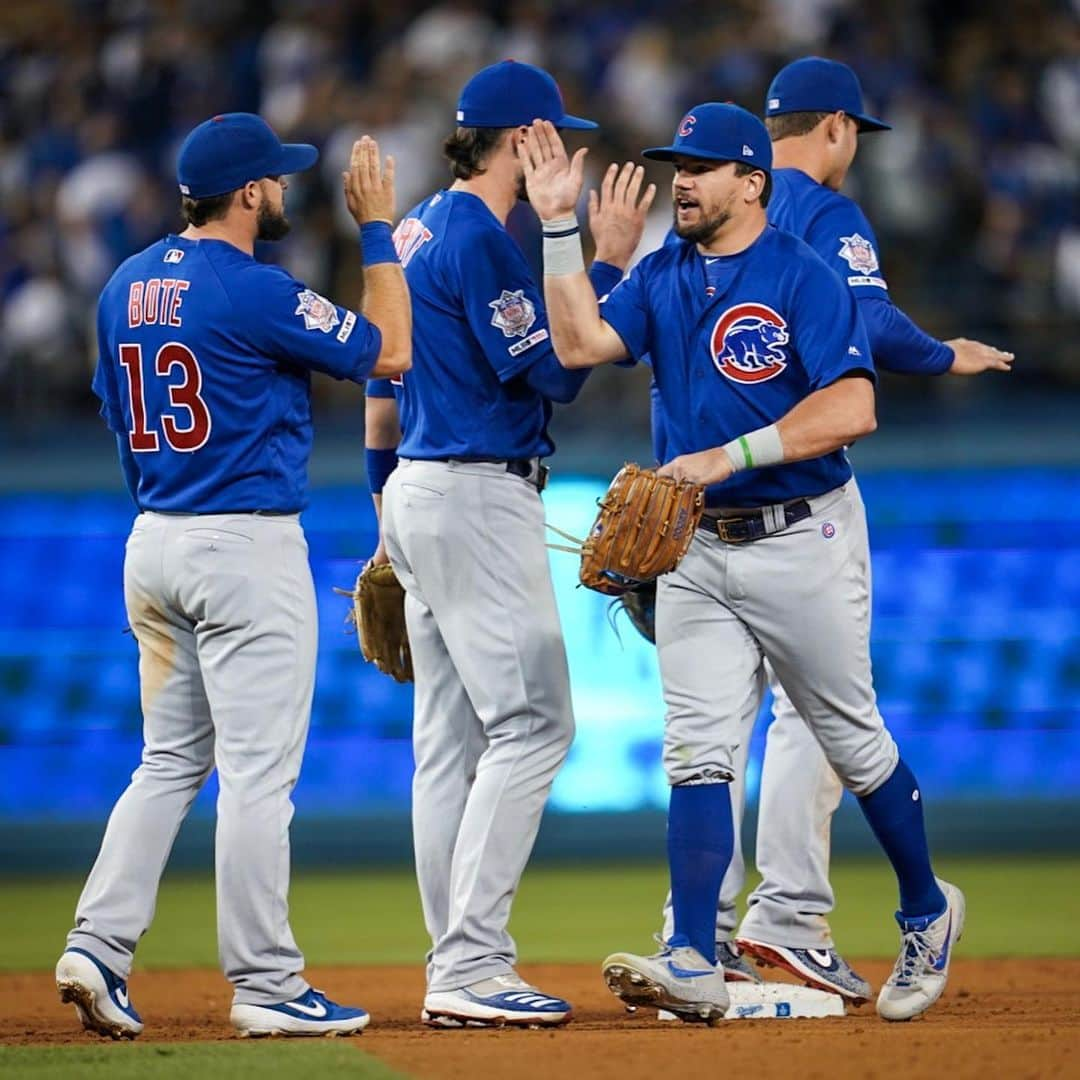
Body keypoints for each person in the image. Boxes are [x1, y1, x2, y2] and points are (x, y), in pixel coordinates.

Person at [521, 103, 964, 1024]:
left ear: (752, 181)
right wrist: (561, 229)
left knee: (849, 736)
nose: (681, 180)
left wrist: (731, 454)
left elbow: (851, 409)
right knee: (697, 751)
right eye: (676, 164)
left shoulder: (802, 276)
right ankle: (691, 949)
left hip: (803, 532)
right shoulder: (663, 274)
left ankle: (926, 907)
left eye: (702, 166)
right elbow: (577, 345)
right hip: (696, 548)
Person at [653, 57, 1015, 1005]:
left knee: (824, 725)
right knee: (752, 732)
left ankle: (836, 915)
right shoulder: (824, 215)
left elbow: (848, 375)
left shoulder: (765, 233)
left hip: (787, 509)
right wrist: (942, 356)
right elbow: (877, 325)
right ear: (841, 129)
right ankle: (736, 931)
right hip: (736, 521)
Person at [54, 113, 410, 1040]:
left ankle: (97, 944)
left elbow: (114, 413)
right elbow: (392, 348)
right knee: (257, 776)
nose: (287, 190)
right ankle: (268, 981)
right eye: (279, 179)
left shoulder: (124, 285)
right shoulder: (251, 286)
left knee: (169, 761)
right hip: (242, 548)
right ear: (249, 191)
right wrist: (376, 228)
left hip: (155, 537)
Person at [372, 60, 652, 1029]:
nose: (568, 150)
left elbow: (384, 371)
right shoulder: (481, 238)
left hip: (419, 483)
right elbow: (562, 373)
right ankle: (470, 962)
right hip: (474, 489)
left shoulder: (415, 224)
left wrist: (383, 507)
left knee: (447, 747)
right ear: (524, 140)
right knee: (535, 727)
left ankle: (454, 957)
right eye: (554, 134)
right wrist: (602, 258)